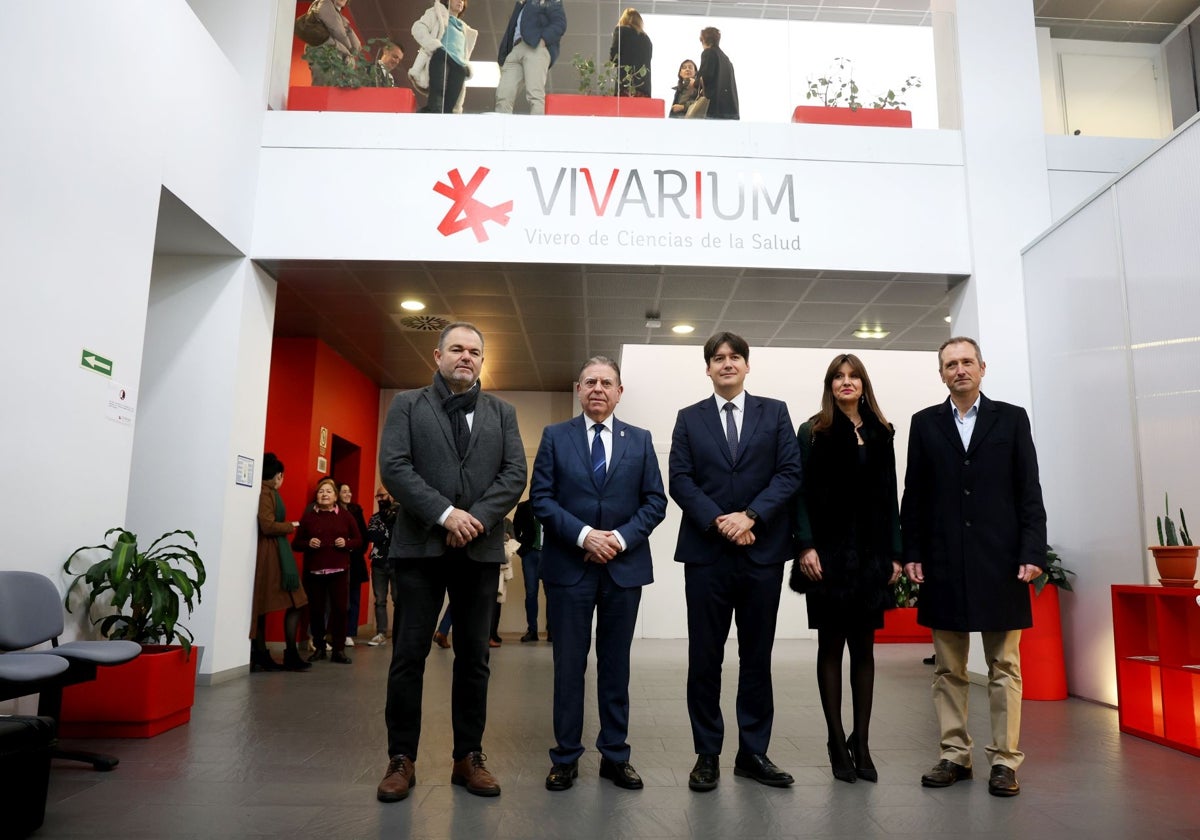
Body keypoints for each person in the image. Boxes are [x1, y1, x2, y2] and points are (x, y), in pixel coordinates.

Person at [376, 322, 527, 803]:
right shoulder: (407, 405)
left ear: (483, 360)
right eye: (457, 349)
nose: (466, 356)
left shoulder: (502, 413)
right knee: (408, 657)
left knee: (474, 660)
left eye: (475, 351)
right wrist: (445, 514)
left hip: (478, 550)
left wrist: (474, 520)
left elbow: (514, 474)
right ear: (437, 355)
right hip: (419, 549)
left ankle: (469, 756)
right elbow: (395, 467)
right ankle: (401, 758)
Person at [901, 337, 1047, 798]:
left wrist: (1033, 551)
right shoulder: (924, 424)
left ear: (982, 368)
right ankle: (954, 755)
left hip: (1000, 561)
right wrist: (912, 552)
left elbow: (1029, 490)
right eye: (950, 364)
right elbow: (915, 495)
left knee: (1004, 666)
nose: (959, 370)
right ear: (941, 373)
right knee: (948, 668)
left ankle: (1004, 761)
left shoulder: (1012, 418)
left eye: (967, 362)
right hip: (944, 561)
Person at [668, 332, 802, 792]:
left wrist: (751, 516)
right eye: (718, 358)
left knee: (756, 657)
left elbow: (790, 473)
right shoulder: (689, 419)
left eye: (735, 357)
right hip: (706, 555)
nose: (727, 364)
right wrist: (719, 521)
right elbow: (680, 481)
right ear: (708, 368)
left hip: (761, 553)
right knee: (704, 658)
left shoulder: (776, 412)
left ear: (747, 366)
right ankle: (707, 754)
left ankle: (753, 752)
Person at [531, 356, 667, 792]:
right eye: (590, 381)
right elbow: (542, 500)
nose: (598, 389)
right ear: (578, 388)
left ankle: (615, 755)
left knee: (615, 666)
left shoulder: (640, 440)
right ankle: (566, 757)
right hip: (569, 569)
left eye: (607, 382)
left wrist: (618, 540)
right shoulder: (555, 437)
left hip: (623, 570)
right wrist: (586, 536)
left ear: (619, 392)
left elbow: (655, 502)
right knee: (568, 665)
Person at [792, 354, 902, 784]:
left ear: (863, 383)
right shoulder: (813, 431)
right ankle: (837, 742)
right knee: (830, 649)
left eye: (853, 376)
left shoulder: (882, 432)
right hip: (827, 559)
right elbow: (798, 494)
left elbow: (891, 493)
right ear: (830, 385)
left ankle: (863, 743)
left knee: (865, 651)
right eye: (838, 377)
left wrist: (895, 553)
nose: (846, 382)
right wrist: (805, 546)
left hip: (871, 557)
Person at [250, 453, 311, 672]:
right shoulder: (267, 493)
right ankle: (277, 654)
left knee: (267, 605)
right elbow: (267, 525)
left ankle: (264, 653)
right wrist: (290, 525)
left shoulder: (266, 492)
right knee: (290, 601)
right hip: (272, 554)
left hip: (275, 553)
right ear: (278, 475)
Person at [294, 478, 362, 665]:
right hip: (315, 572)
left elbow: (358, 540)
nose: (324, 494)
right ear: (317, 496)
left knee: (340, 610)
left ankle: (338, 650)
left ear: (335, 496)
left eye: (328, 491)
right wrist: (308, 543)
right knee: (316, 611)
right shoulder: (309, 517)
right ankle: (320, 647)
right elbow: (296, 543)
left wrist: (346, 543)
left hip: (339, 570)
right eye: (321, 491)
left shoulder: (346, 516)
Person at [495, 0, 567, 116]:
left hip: (534, 47)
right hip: (515, 49)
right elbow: (511, 29)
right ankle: (501, 130)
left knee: (535, 94)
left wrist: (542, 40)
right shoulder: (520, 3)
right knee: (503, 94)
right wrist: (504, 55)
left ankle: (537, 130)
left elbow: (560, 23)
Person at [410, 0, 478, 114]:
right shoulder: (437, 14)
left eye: (463, 0)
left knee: (451, 104)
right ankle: (431, 112)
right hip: (440, 56)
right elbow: (417, 28)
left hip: (459, 65)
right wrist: (433, 45)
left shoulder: (465, 29)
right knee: (437, 95)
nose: (460, 2)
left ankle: (443, 121)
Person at [365, 486, 398, 646]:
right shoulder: (375, 517)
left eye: (382, 495)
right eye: (377, 496)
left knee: (398, 599)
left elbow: (397, 535)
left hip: (396, 562)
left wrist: (384, 534)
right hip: (378, 562)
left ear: (390, 495)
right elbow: (370, 535)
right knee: (380, 600)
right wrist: (386, 534)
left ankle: (399, 633)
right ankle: (381, 633)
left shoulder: (400, 515)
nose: (379, 499)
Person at [513, 498, 549, 642]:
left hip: (549, 554)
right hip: (530, 554)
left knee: (551, 593)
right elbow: (515, 528)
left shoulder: (552, 504)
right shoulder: (523, 506)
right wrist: (521, 547)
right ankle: (532, 630)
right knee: (531, 592)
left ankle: (552, 631)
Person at [339, 484, 370, 647]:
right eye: (344, 491)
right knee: (340, 598)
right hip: (338, 558)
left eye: (349, 491)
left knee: (354, 597)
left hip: (355, 559)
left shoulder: (356, 510)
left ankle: (349, 633)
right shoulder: (334, 510)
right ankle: (337, 632)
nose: (348, 494)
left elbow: (364, 536)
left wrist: (357, 549)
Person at [308, 0, 362, 85]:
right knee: (323, 94)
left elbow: (357, 46)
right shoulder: (324, 3)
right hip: (324, 57)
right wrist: (349, 51)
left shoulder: (340, 16)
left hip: (338, 61)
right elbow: (338, 32)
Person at [696, 27, 739, 120]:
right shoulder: (726, 60)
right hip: (730, 111)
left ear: (704, 40)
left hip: (714, 110)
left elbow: (705, 77)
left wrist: (694, 83)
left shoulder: (708, 53)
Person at [609, 8, 652, 98]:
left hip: (625, 86)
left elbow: (614, 56)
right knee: (639, 111)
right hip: (644, 88)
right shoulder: (647, 39)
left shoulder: (621, 31)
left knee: (624, 111)